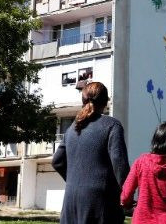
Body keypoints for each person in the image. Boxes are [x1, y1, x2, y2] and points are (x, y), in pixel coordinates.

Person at [52, 81, 130, 224]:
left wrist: (76, 181)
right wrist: (128, 195)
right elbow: (120, 164)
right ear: (105, 102)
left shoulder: (72, 128)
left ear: (83, 101)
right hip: (100, 204)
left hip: (70, 203)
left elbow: (57, 161)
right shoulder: (112, 126)